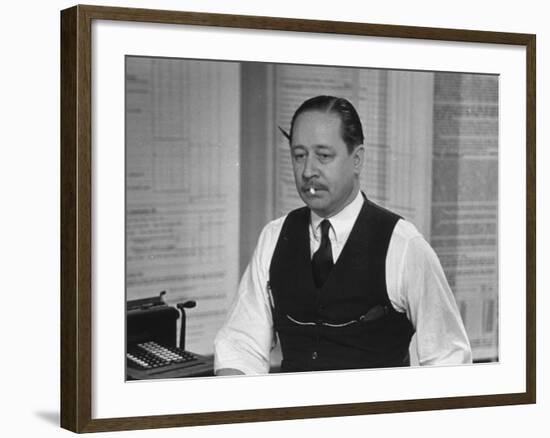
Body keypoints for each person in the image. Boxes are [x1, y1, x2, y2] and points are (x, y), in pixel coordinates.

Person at [214, 95, 472, 375]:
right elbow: (241, 345)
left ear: (357, 159)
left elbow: (449, 361)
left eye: (323, 156)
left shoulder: (404, 246)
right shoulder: (274, 237)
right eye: (299, 156)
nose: (308, 171)